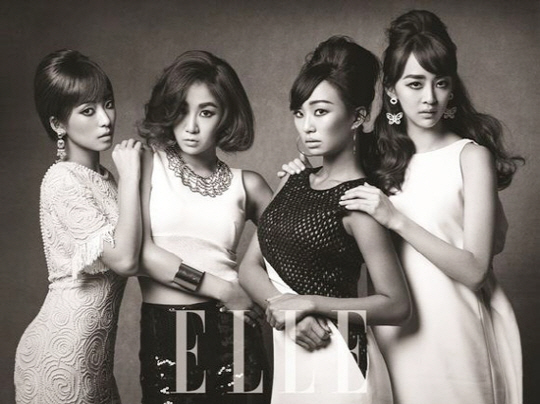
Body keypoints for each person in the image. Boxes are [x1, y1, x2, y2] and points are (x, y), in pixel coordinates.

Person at [283, 10, 523, 404]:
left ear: (452, 89)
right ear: (392, 89)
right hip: (392, 333)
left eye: (441, 83)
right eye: (415, 83)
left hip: (457, 328)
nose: (429, 98)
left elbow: (476, 270)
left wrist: (395, 219)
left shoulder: (470, 157)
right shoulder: (375, 156)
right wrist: (303, 175)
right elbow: (327, 158)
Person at [239, 36, 410, 404]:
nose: (307, 127)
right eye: (300, 113)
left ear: (358, 117)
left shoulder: (358, 200)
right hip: (294, 360)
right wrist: (288, 309)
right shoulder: (291, 180)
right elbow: (249, 267)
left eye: (320, 112)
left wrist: (311, 304)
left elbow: (396, 305)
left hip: (342, 361)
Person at [137, 50, 272, 404]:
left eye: (206, 112)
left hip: (234, 332)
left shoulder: (248, 184)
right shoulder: (147, 164)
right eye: (182, 110)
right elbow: (139, 254)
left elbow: (294, 242)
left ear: (227, 116)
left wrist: (302, 183)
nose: (191, 126)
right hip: (171, 331)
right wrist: (224, 289)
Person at [14, 50, 143, 403]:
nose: (106, 119)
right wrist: (132, 175)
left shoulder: (106, 179)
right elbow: (126, 260)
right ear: (58, 123)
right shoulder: (61, 180)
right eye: (88, 111)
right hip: (58, 355)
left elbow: (145, 250)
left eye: (108, 104)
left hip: (94, 360)